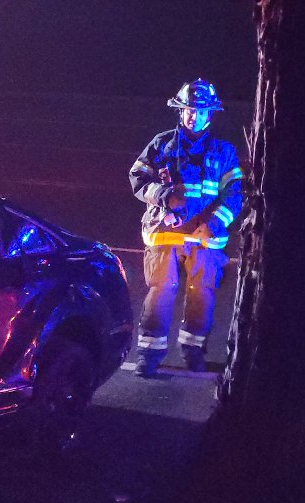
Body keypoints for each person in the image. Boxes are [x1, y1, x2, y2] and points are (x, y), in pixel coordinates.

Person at [128, 78, 243, 376]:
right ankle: (149, 355)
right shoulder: (160, 144)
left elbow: (234, 194)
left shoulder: (224, 152)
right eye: (190, 110)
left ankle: (193, 350)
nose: (195, 116)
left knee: (201, 295)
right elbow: (138, 178)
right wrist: (164, 197)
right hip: (165, 233)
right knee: (160, 293)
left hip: (205, 239)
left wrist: (216, 222)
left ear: (211, 114)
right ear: (181, 111)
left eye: (202, 111)